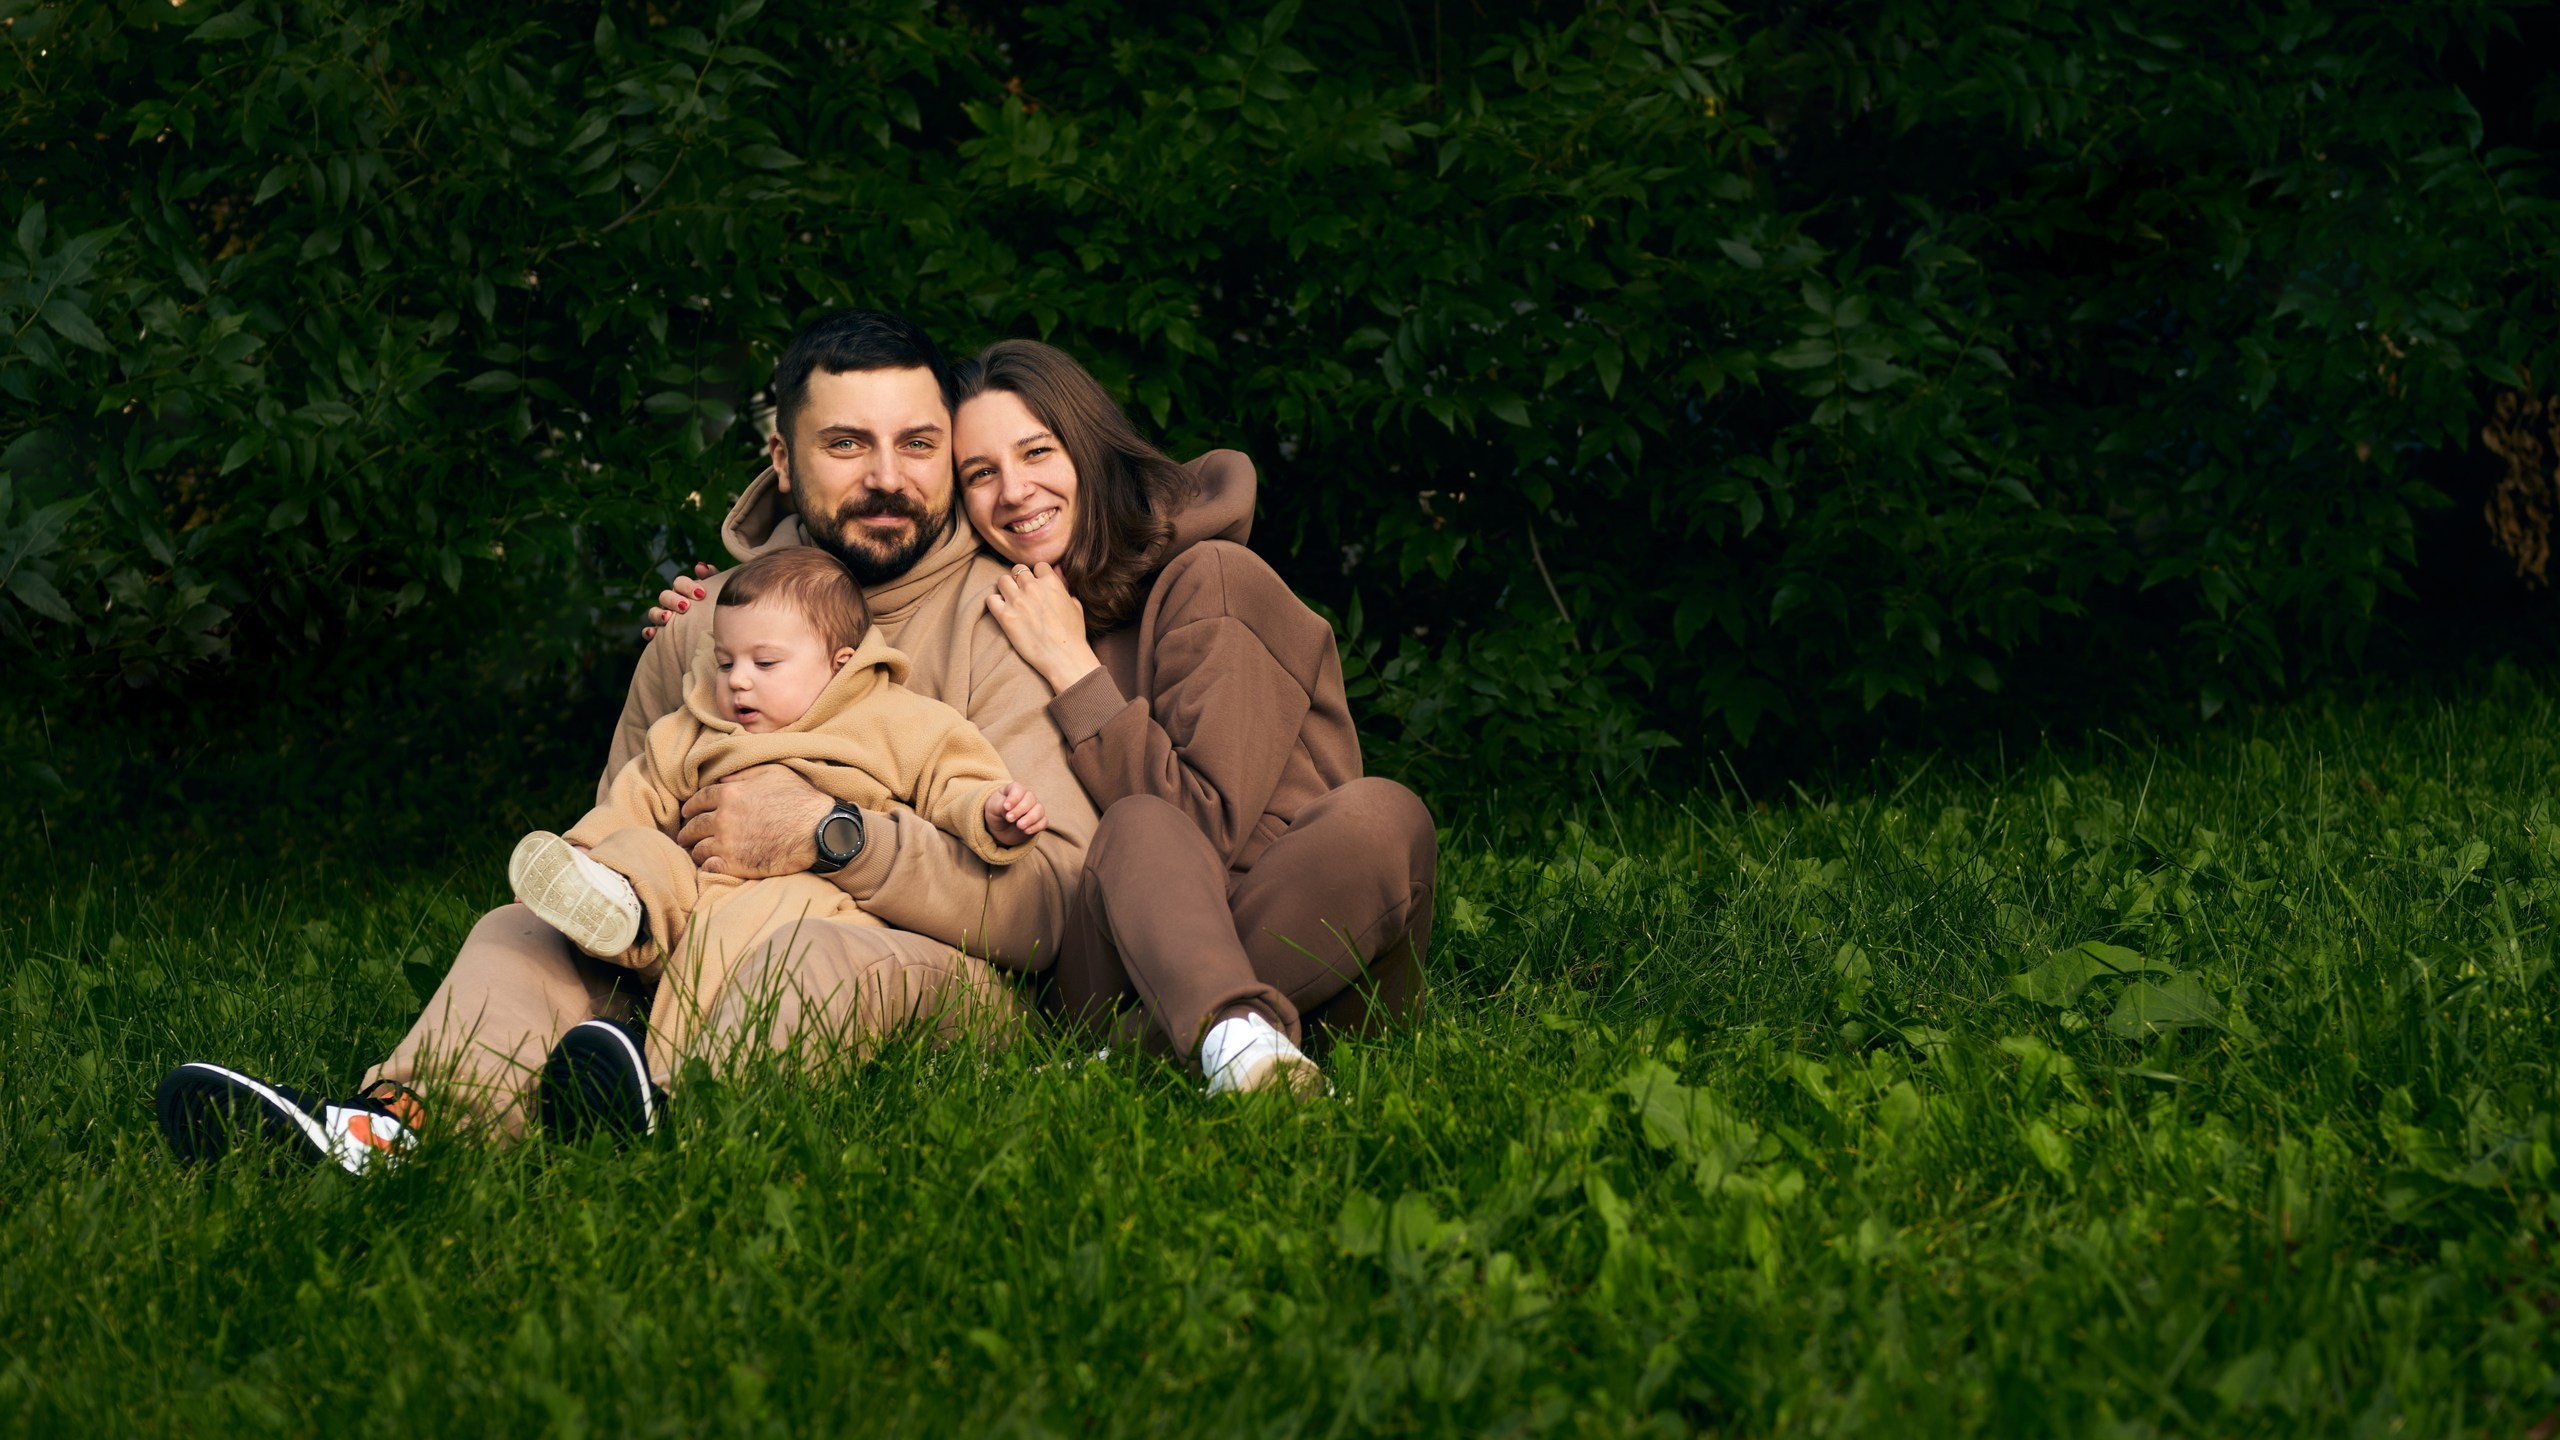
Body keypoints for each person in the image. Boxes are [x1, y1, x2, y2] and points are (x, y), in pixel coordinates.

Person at [158, 310, 1099, 1172]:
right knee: (525, 928)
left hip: (913, 971)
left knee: (807, 959)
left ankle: (677, 1117)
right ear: (782, 457)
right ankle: (394, 1126)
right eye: (847, 444)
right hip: (696, 949)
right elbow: (631, 820)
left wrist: (836, 836)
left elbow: (1055, 903)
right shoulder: (709, 630)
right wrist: (608, 880)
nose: (887, 477)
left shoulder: (1003, 614)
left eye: (918, 444)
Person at [955, 339, 1436, 1096]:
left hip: (1306, 941)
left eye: (1037, 451)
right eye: (980, 473)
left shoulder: (1212, 579)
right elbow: (866, 537)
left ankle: (1166, 1049)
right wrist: (726, 593)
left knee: (1384, 817)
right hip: (1115, 962)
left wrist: (1071, 668)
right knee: (1141, 826)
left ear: (1087, 448)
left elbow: (1205, 824)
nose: (1014, 491)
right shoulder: (1000, 609)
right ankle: (1231, 1042)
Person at [507, 545, 1048, 1126]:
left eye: (764, 665)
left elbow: (952, 775)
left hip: (823, 904)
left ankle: (684, 1101)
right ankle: (605, 900)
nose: (738, 682)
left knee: (791, 963)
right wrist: (588, 848)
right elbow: (634, 800)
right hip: (698, 902)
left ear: (839, 664)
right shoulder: (691, 732)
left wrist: (988, 808)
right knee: (643, 851)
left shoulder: (894, 719)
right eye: (724, 662)